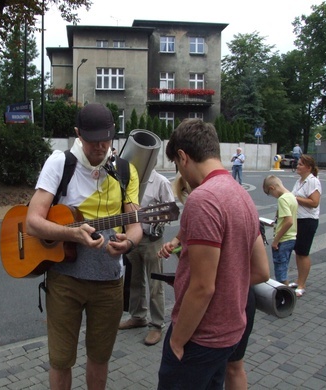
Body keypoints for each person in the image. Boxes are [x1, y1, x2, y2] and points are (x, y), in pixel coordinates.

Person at [25, 103, 143, 390]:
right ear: (78, 134)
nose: (100, 147)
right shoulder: (60, 163)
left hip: (109, 283)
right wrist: (74, 236)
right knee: (61, 359)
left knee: (100, 357)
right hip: (65, 281)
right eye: (92, 141)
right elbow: (32, 222)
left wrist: (128, 243)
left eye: (106, 139)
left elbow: (136, 225)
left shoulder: (126, 171)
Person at [157, 118, 269, 390]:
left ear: (183, 157)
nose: (181, 175)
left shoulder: (203, 199)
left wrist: (177, 340)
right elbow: (260, 270)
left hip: (199, 336)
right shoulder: (241, 195)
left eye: (177, 166)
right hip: (230, 332)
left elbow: (203, 286)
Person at [119, 169, 175, 346]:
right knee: (134, 280)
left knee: (155, 283)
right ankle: (137, 316)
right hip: (131, 237)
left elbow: (171, 210)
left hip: (152, 240)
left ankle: (157, 324)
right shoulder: (129, 179)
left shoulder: (161, 181)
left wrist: (155, 221)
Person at [290, 154, 321, 297]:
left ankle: (302, 284)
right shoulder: (300, 181)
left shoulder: (312, 181)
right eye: (298, 164)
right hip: (298, 219)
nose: (297, 166)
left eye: (300, 164)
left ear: (308, 167)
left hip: (308, 221)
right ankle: (298, 280)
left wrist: (295, 198)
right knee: (298, 251)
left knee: (303, 253)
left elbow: (314, 202)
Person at [263, 175, 298, 285]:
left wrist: (275, 241)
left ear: (272, 188)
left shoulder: (282, 199)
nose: (272, 196)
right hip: (291, 237)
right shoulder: (291, 196)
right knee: (284, 266)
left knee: (280, 271)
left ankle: (284, 296)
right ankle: (286, 294)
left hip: (283, 239)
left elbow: (289, 221)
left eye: (269, 193)